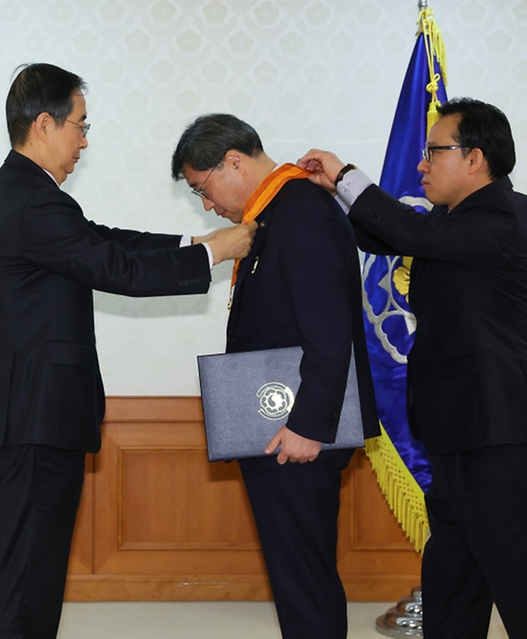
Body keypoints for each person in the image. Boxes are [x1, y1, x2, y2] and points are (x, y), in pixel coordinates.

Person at [0, 64, 255, 639]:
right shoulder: (33, 200)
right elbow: (113, 268)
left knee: (32, 576)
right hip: (33, 416)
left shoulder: (29, 193)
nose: (84, 139)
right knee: (28, 583)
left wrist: (194, 244)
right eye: (80, 124)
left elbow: (104, 240)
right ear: (44, 124)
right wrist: (215, 253)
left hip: (31, 413)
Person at [299, 98, 527, 639]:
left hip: (501, 435)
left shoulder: (502, 214)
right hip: (456, 432)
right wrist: (329, 194)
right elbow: (386, 234)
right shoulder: (451, 223)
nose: (421, 164)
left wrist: (347, 174)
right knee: (452, 579)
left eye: (434, 152)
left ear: (475, 159)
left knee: (521, 584)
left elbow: (410, 234)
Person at [171, 114, 379, 638]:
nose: (208, 205)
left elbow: (329, 329)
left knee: (304, 583)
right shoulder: (276, 215)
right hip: (278, 426)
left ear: (234, 161)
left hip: (298, 433)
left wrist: (310, 425)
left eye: (203, 188)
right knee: (296, 579)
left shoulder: (301, 210)